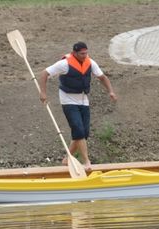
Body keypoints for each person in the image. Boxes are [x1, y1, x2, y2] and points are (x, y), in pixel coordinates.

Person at [39, 42, 118, 171]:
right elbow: (44, 74)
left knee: (84, 133)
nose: (85, 56)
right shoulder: (64, 64)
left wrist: (111, 91)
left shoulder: (90, 62)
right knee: (78, 130)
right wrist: (43, 92)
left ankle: (67, 158)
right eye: (82, 54)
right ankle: (86, 161)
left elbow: (102, 77)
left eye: (86, 53)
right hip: (68, 99)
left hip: (83, 100)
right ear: (74, 53)